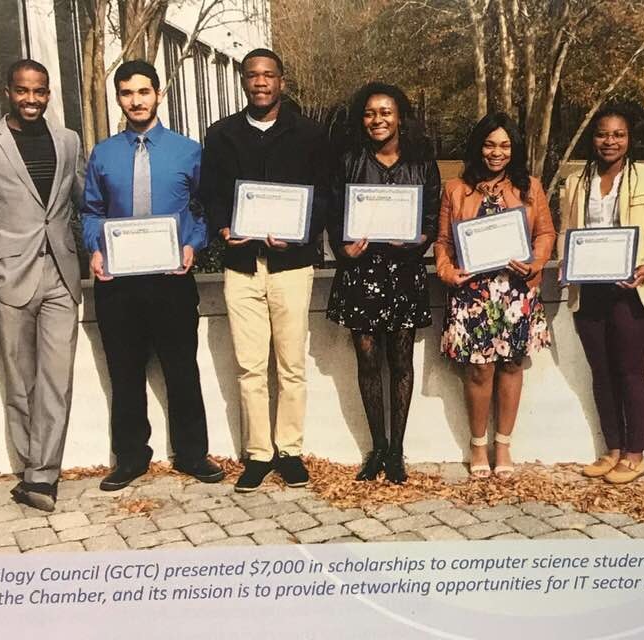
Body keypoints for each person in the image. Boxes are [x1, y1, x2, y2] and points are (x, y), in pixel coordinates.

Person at [81, 60, 223, 491]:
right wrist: (95, 249)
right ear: (119, 98)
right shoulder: (103, 154)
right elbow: (91, 211)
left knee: (182, 369)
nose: (136, 100)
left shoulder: (188, 151)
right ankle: (130, 458)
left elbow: (202, 208)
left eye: (144, 91)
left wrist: (191, 244)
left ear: (159, 94)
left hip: (171, 279)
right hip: (118, 284)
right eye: (127, 93)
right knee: (125, 374)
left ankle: (193, 454)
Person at [0, 59, 85, 512]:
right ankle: (30, 467)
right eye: (23, 91)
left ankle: (42, 476)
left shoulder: (68, 141)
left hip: (61, 278)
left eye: (40, 91)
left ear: (49, 94)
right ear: (8, 91)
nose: (32, 99)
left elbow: (78, 203)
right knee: (20, 381)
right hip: (8, 278)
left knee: (57, 380)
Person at [200, 48, 332, 493]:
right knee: (250, 366)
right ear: (243, 81)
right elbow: (211, 193)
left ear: (282, 80)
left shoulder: (309, 135)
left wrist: (300, 234)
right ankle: (259, 454)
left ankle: (290, 451)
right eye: (252, 75)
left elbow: (325, 196)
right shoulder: (221, 135)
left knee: (291, 363)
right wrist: (223, 227)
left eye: (268, 75)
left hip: (291, 265)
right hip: (241, 265)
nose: (260, 82)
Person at [326, 82, 440, 484]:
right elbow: (334, 216)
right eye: (371, 113)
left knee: (401, 362)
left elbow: (431, 217)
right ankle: (376, 447)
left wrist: (418, 240)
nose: (378, 120)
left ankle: (397, 452)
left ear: (400, 116)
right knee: (368, 362)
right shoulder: (349, 160)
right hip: (361, 274)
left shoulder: (421, 161)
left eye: (386, 112)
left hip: (404, 273)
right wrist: (344, 249)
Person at [435, 112, 555, 479]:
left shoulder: (530, 187)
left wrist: (536, 262)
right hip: (472, 294)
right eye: (489, 144)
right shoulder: (456, 189)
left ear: (514, 149)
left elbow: (546, 233)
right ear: (478, 147)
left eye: (505, 145)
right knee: (478, 369)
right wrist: (446, 271)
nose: (497, 152)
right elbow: (442, 242)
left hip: (516, 291)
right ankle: (477, 443)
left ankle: (503, 443)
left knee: (512, 365)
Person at [558, 107, 644, 485]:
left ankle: (636, 453)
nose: (610, 142)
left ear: (629, 138)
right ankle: (612, 448)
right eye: (603, 135)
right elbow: (567, 233)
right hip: (589, 291)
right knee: (601, 373)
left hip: (633, 291)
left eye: (618, 135)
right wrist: (565, 266)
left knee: (630, 372)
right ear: (593, 139)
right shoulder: (575, 182)